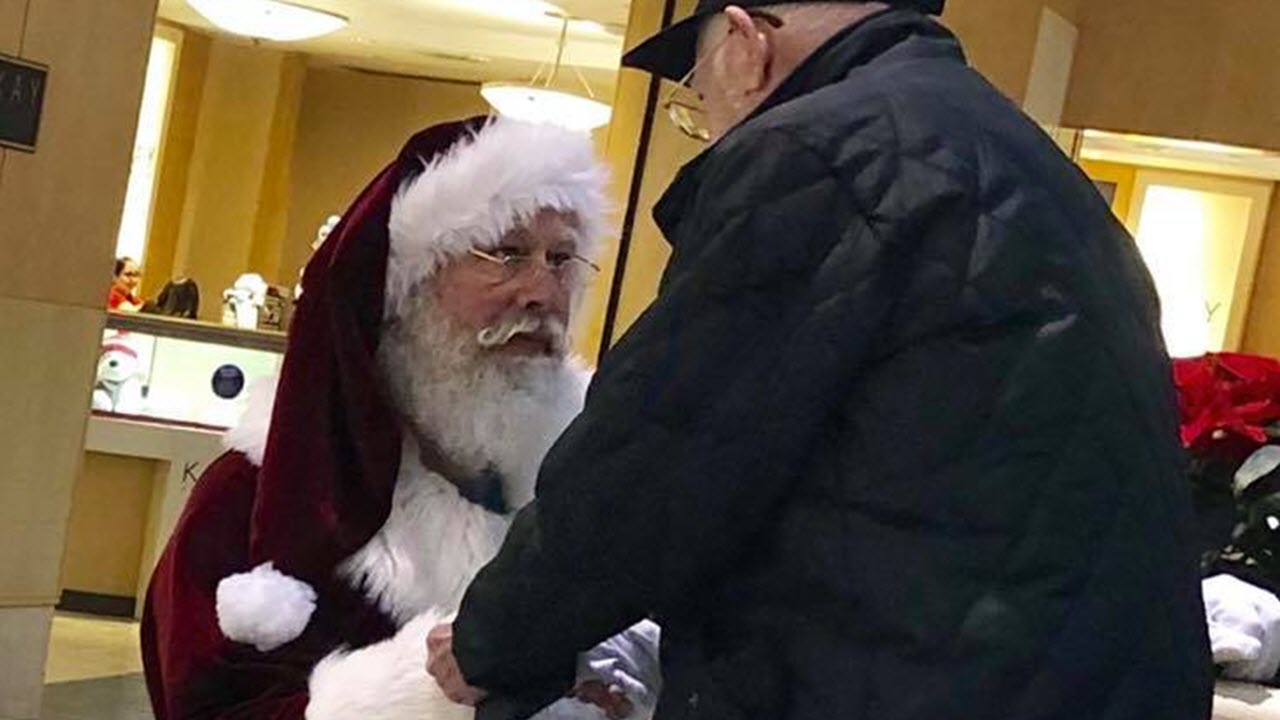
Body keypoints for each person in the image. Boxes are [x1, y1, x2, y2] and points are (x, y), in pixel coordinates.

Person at [427, 2, 1214, 719]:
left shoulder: (821, 150)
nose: (708, 124)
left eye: (695, 101)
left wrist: (494, 640)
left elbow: (662, 455)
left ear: (744, 45)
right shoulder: (1023, 157)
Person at [140, 117, 660, 720]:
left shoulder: (584, 486)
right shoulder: (258, 496)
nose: (543, 293)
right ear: (407, 289)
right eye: (508, 254)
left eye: (562, 258)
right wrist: (432, 694)